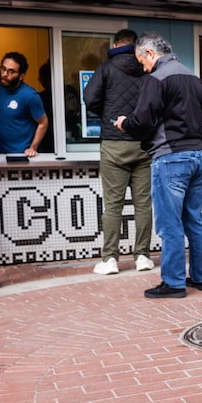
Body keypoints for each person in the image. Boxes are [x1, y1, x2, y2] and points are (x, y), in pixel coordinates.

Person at [115, 32, 202, 299]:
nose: (142, 67)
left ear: (150, 53)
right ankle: (201, 278)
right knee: (194, 220)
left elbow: (143, 122)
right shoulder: (194, 77)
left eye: (141, 61)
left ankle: (173, 283)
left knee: (169, 225)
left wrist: (125, 123)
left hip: (170, 159)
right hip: (197, 156)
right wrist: (196, 140)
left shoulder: (157, 79)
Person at [83, 29, 154, 275]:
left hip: (113, 142)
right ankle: (143, 256)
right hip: (143, 143)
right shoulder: (146, 66)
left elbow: (89, 98)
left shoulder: (107, 67)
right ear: (135, 46)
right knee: (143, 203)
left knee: (113, 205)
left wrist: (106, 111)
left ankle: (110, 259)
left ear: (115, 44)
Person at [0, 52, 48, 157]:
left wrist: (33, 148)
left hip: (22, 155)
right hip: (0, 153)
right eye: (3, 69)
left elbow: (43, 123)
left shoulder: (30, 95)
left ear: (21, 76)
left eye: (11, 71)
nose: (4, 74)